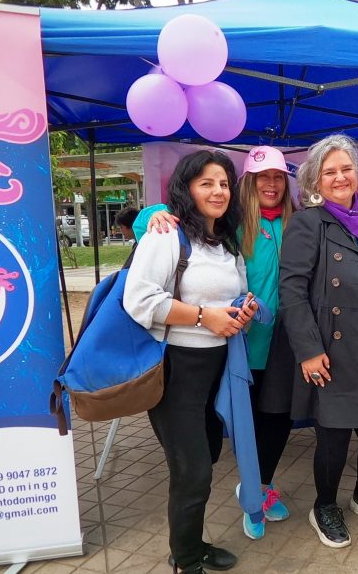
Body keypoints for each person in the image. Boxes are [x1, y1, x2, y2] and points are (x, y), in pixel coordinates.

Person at [145, 146, 296, 540]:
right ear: (249, 182)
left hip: (279, 346)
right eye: (262, 176)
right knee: (212, 448)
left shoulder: (294, 225)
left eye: (278, 176)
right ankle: (192, 547)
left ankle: (257, 492)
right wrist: (151, 214)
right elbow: (165, 236)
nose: (271, 184)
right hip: (234, 353)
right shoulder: (227, 227)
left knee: (273, 424)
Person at [124, 150, 257, 574]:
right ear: (187, 188)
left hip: (218, 372)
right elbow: (139, 299)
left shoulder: (225, 241)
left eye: (223, 183)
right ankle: (185, 560)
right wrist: (204, 317)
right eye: (206, 183)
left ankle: (192, 544)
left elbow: (233, 296)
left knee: (207, 459)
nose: (217, 191)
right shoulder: (165, 236)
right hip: (176, 370)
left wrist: (242, 311)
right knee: (192, 471)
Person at [279, 134, 358, 548]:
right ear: (315, 180)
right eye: (329, 172)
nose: (339, 177)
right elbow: (291, 291)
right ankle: (325, 505)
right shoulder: (307, 223)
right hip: (332, 349)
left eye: (346, 169)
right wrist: (309, 350)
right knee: (334, 433)